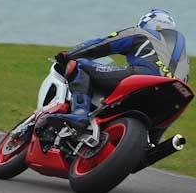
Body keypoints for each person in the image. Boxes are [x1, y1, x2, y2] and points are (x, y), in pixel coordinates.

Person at [49, 8, 189, 128]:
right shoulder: (183, 56)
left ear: (146, 23)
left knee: (79, 64)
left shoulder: (140, 33)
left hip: (145, 76)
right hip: (178, 96)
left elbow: (102, 44)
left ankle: (79, 114)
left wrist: (69, 54)